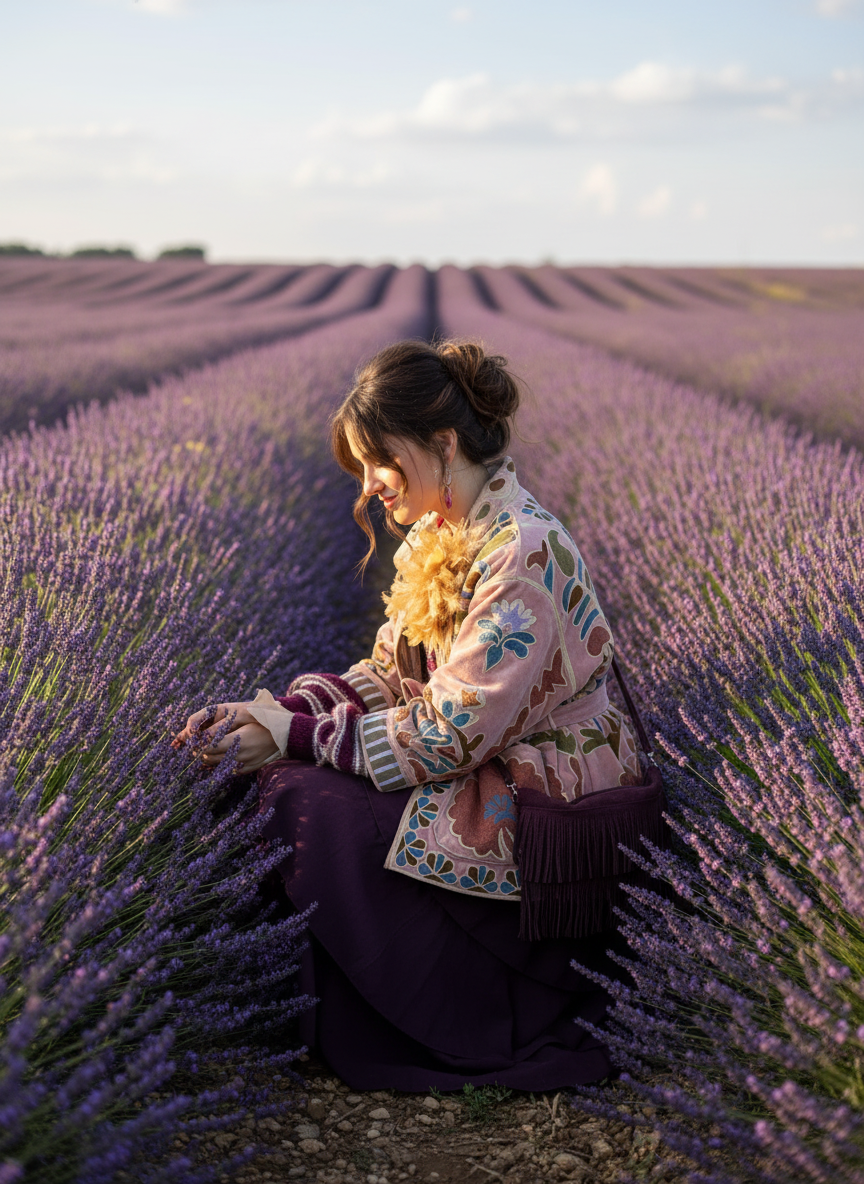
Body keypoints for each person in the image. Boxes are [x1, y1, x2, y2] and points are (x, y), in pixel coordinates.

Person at [173, 339, 645, 1092]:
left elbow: (446, 735)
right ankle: (267, 1000)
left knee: (303, 797)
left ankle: (445, 1014)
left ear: (444, 444)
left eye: (379, 461)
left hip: (538, 802)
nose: (368, 486)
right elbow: (392, 676)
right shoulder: (445, 532)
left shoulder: (522, 554)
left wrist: (294, 737)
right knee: (270, 777)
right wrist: (275, 714)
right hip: (478, 765)